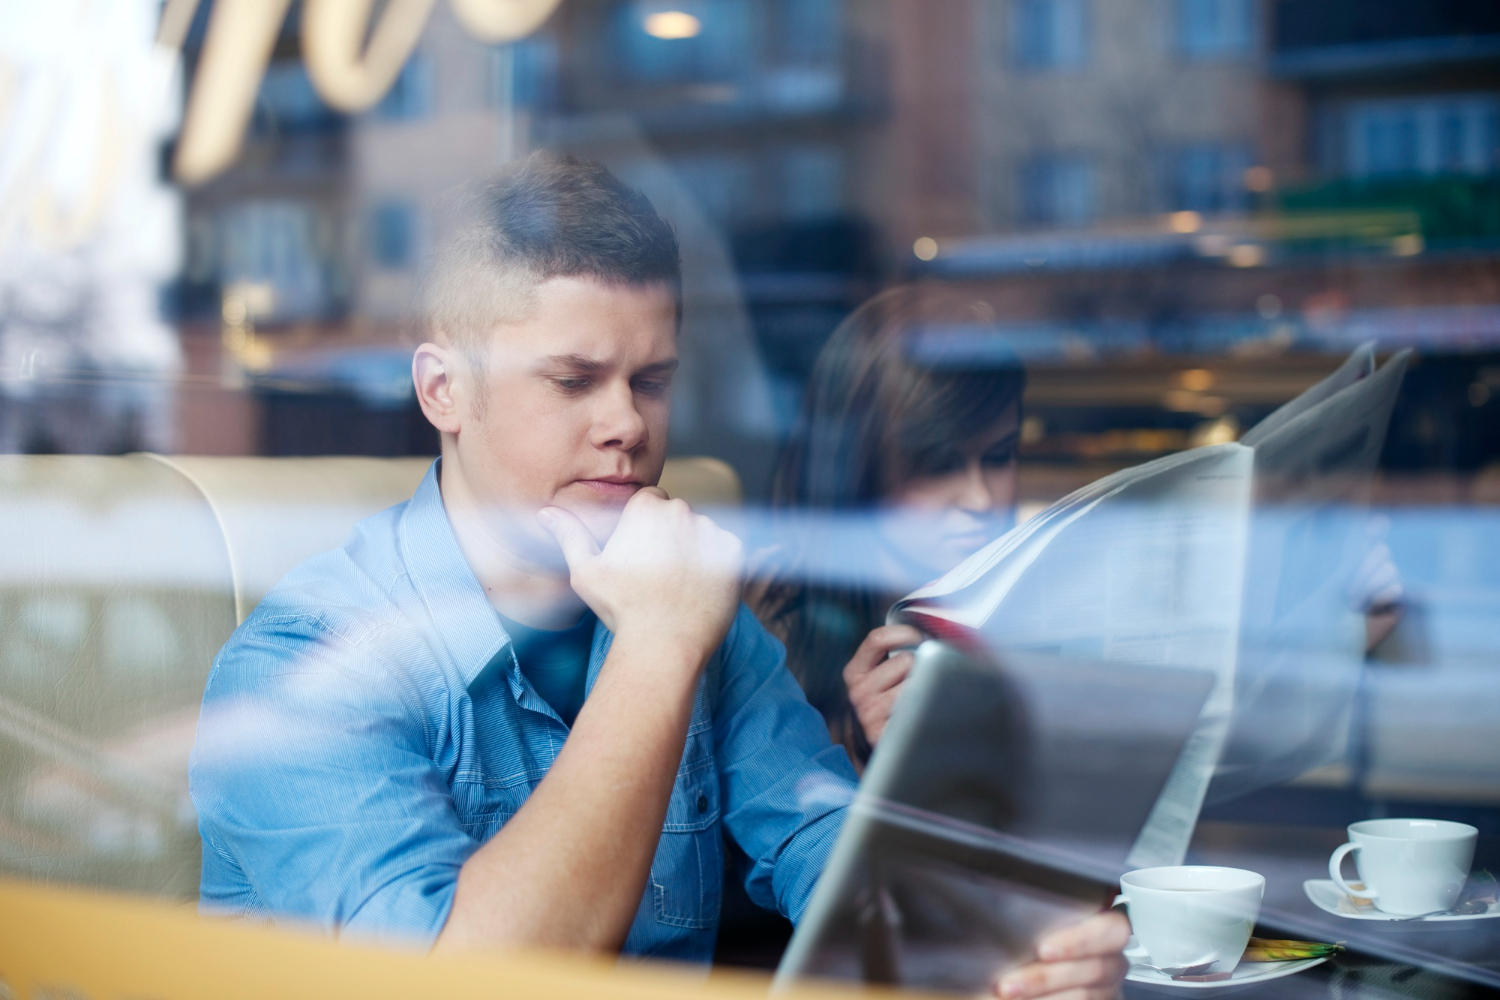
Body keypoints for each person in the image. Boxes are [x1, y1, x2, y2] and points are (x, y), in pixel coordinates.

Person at [189, 153, 1126, 996]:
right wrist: (657, 647)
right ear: (445, 390)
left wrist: (1002, 945)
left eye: (651, 381)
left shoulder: (690, 607)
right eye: (573, 381)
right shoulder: (297, 667)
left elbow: (823, 841)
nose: (628, 425)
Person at [751, 285, 1027, 764]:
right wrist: (867, 755)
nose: (981, 499)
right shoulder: (774, 627)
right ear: (861, 471)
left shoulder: (1014, 596)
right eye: (939, 466)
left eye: (999, 457)